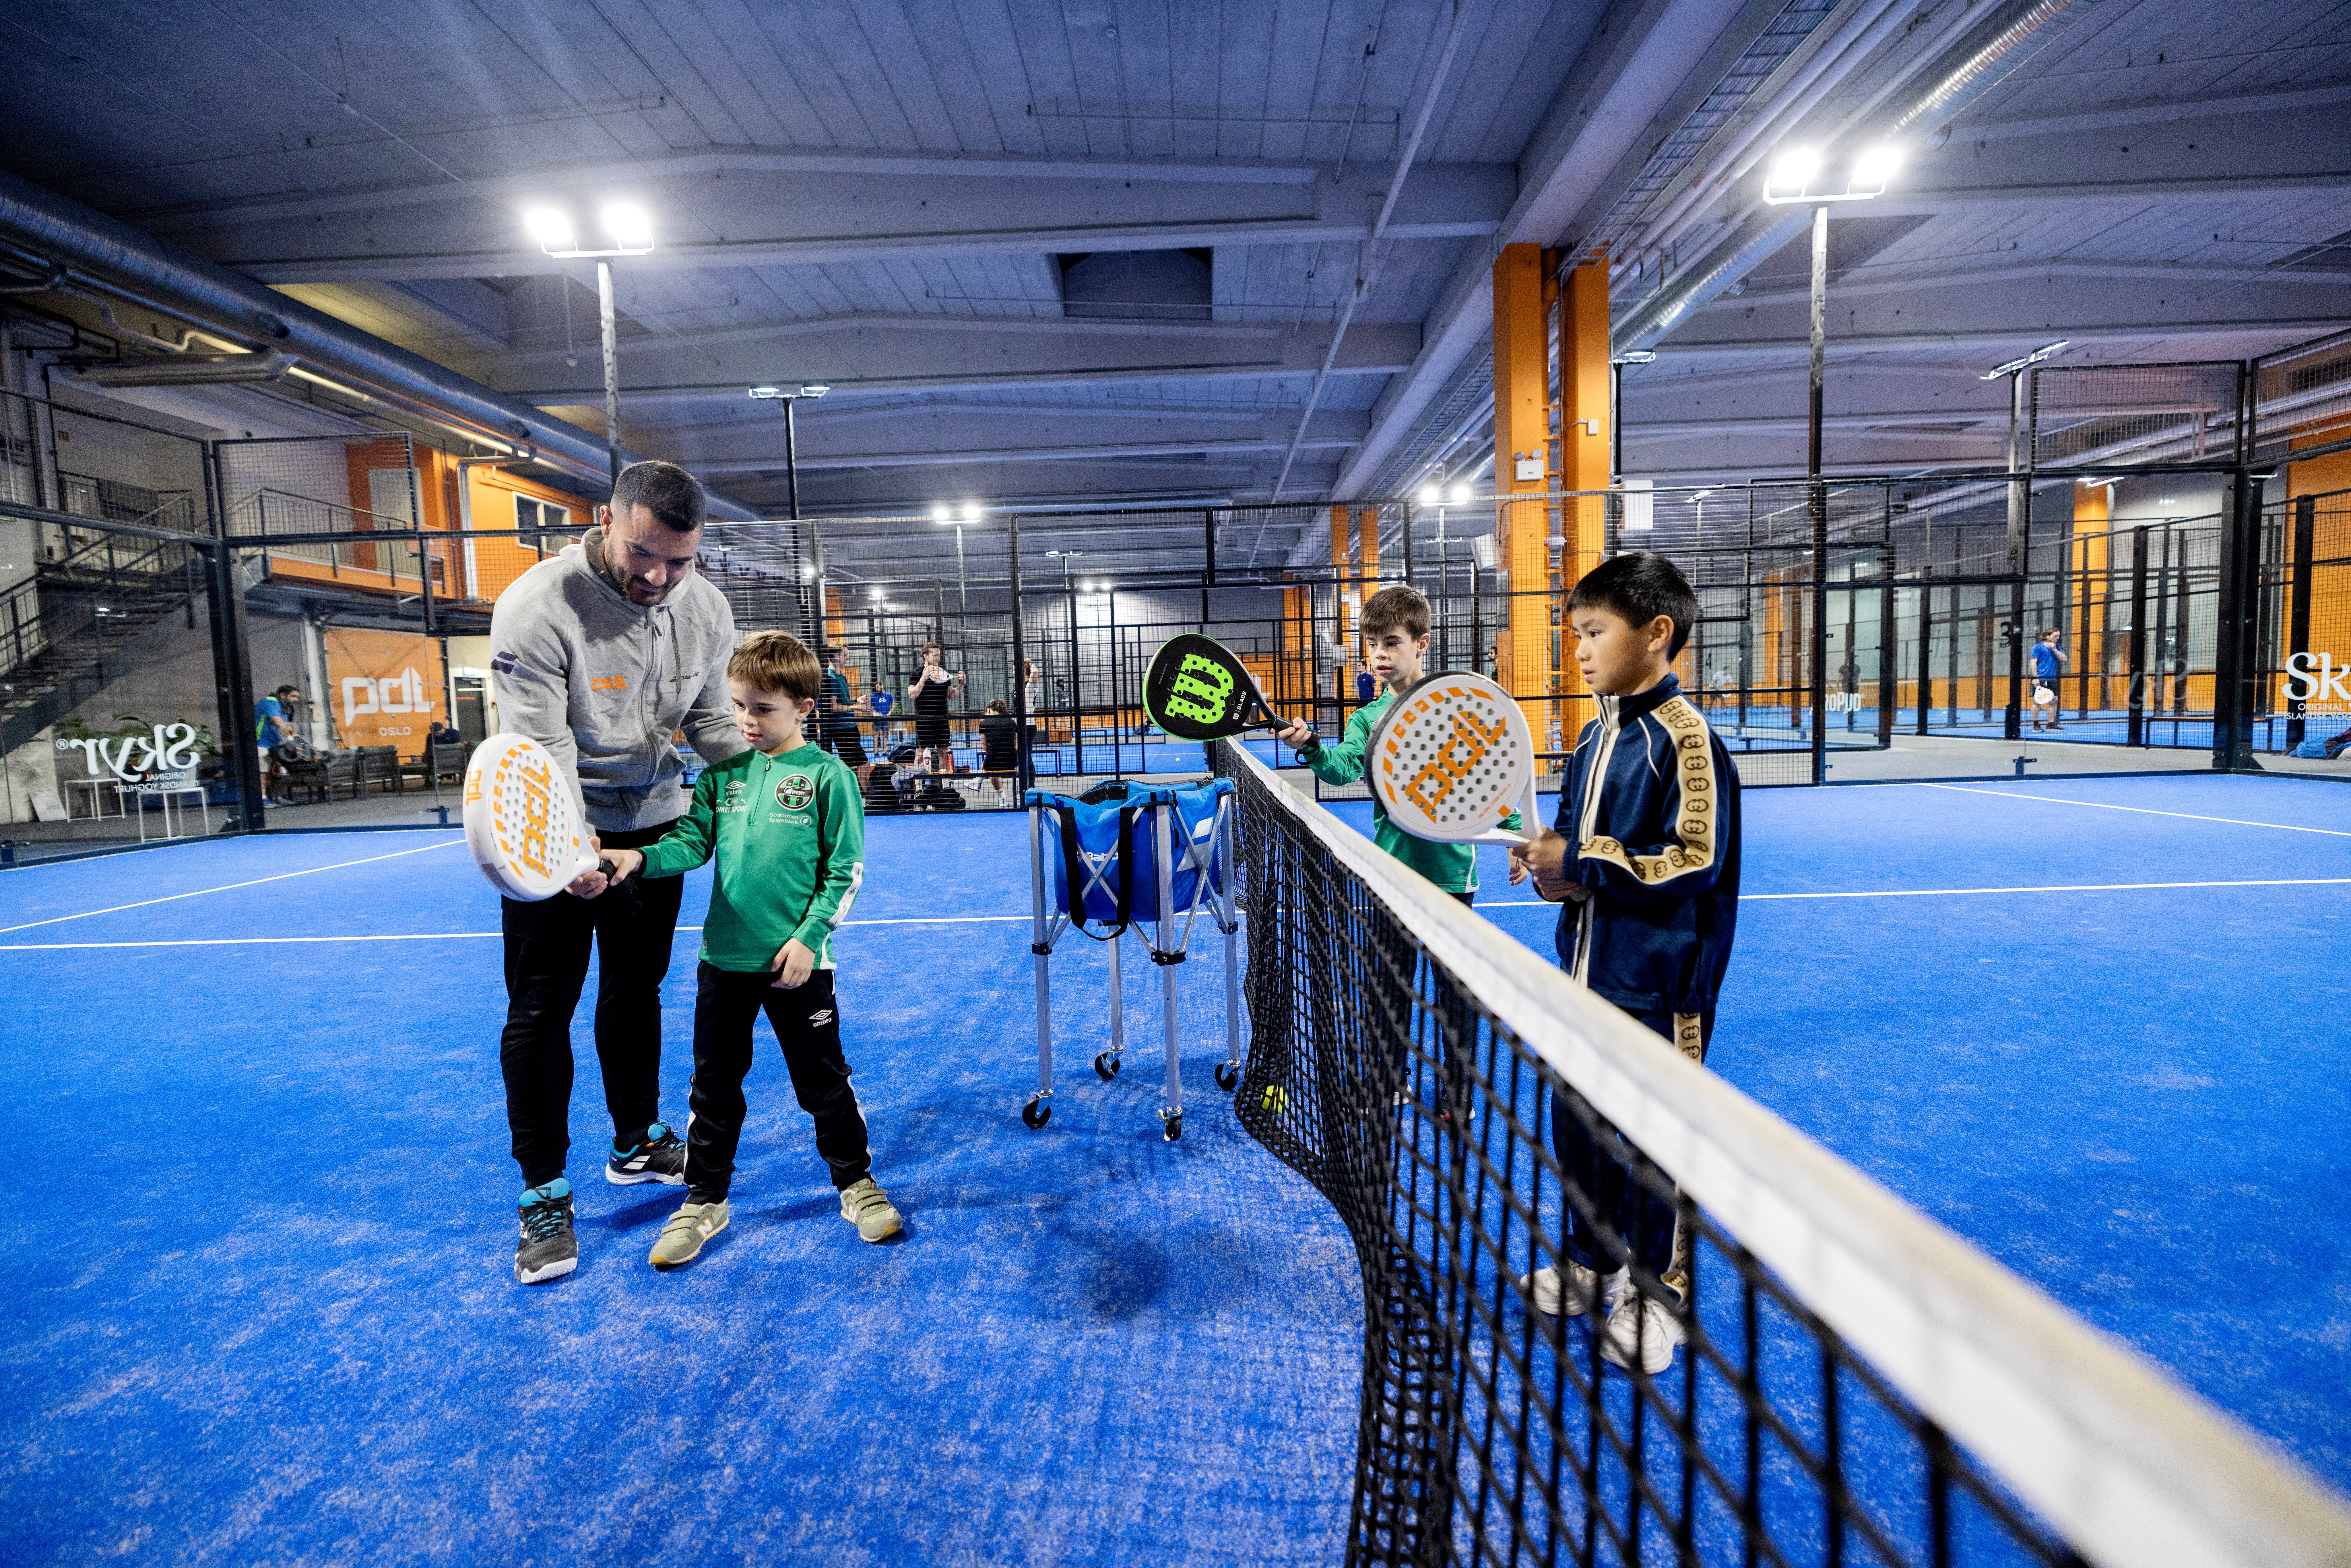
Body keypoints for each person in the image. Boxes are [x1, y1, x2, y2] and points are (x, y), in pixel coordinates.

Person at [488, 459, 746, 1286]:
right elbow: (541, 747)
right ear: (608, 520)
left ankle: (636, 1142)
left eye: (680, 560)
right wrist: (571, 856)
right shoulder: (536, 606)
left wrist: (775, 786)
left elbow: (710, 717)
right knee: (541, 1006)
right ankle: (543, 1191)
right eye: (643, 554)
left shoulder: (704, 607)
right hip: (549, 826)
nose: (658, 577)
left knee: (637, 991)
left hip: (653, 825)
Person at [597, 630, 901, 1268]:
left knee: (823, 1083)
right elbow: (689, 845)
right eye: (738, 706)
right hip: (723, 962)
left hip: (799, 966)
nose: (746, 720)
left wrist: (809, 938)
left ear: (803, 707)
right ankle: (705, 1198)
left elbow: (845, 872)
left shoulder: (829, 777)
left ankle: (856, 1184)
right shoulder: (721, 777)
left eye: (762, 708)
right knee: (713, 1087)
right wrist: (636, 857)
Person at [1507, 552, 1741, 1376]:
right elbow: (1574, 860)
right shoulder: (1592, 736)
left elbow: (1695, 859)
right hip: (1584, 980)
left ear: (1657, 634)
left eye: (1594, 632)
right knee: (1576, 1126)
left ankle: (1656, 1290)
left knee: (1653, 1145)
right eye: (1575, 635)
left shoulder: (1690, 742)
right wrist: (1549, 872)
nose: (1579, 650)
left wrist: (1582, 857)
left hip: (1660, 990)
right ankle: (1591, 1261)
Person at [1274, 584, 1515, 906]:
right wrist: (1311, 748)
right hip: (1391, 869)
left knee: (1445, 960)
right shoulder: (1365, 719)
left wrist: (1517, 835)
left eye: (1391, 643)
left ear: (1421, 644)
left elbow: (1485, 779)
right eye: (1372, 644)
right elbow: (1342, 769)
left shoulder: (1456, 709)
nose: (1379, 654)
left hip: (1451, 874)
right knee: (1390, 959)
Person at [907, 641, 963, 762]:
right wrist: (924, 678)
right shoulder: (917, 673)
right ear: (926, 656)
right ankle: (916, 781)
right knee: (921, 753)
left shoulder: (943, 674)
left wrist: (961, 686)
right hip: (924, 720)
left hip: (942, 720)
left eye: (939, 655)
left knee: (944, 752)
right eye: (935, 655)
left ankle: (943, 781)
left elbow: (951, 696)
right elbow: (912, 695)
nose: (938, 658)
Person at [819, 645, 870, 769]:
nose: (848, 658)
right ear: (836, 657)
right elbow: (833, 707)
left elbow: (843, 702)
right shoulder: (831, 678)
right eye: (845, 655)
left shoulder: (842, 677)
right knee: (864, 765)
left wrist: (857, 700)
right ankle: (860, 790)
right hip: (841, 729)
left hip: (850, 726)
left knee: (852, 765)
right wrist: (857, 708)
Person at [255, 685, 300, 802]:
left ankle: (276, 797)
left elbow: (287, 725)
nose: (296, 699)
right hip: (261, 742)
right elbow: (278, 723)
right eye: (293, 696)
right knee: (263, 772)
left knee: (275, 771)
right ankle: (263, 799)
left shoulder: (286, 707)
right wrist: (291, 740)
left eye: (297, 697)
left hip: (275, 744)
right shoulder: (272, 702)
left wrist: (295, 735)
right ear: (283, 695)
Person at [976, 698, 1021, 800]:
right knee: (991, 764)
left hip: (992, 763)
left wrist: (994, 750)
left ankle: (1002, 798)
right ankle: (978, 781)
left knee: (987, 765)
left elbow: (984, 747)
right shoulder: (1012, 723)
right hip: (1012, 762)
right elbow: (1016, 746)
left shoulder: (984, 723)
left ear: (988, 710)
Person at [2031, 628, 2067, 731]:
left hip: (2052, 679)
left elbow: (2065, 659)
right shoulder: (2038, 648)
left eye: (2058, 636)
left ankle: (2051, 724)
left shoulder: (2058, 647)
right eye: (2055, 636)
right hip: (2040, 679)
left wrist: (2055, 650)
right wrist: (2036, 677)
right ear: (2047, 636)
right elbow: (2033, 663)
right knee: (2037, 701)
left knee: (2054, 700)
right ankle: (2036, 725)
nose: (2057, 638)